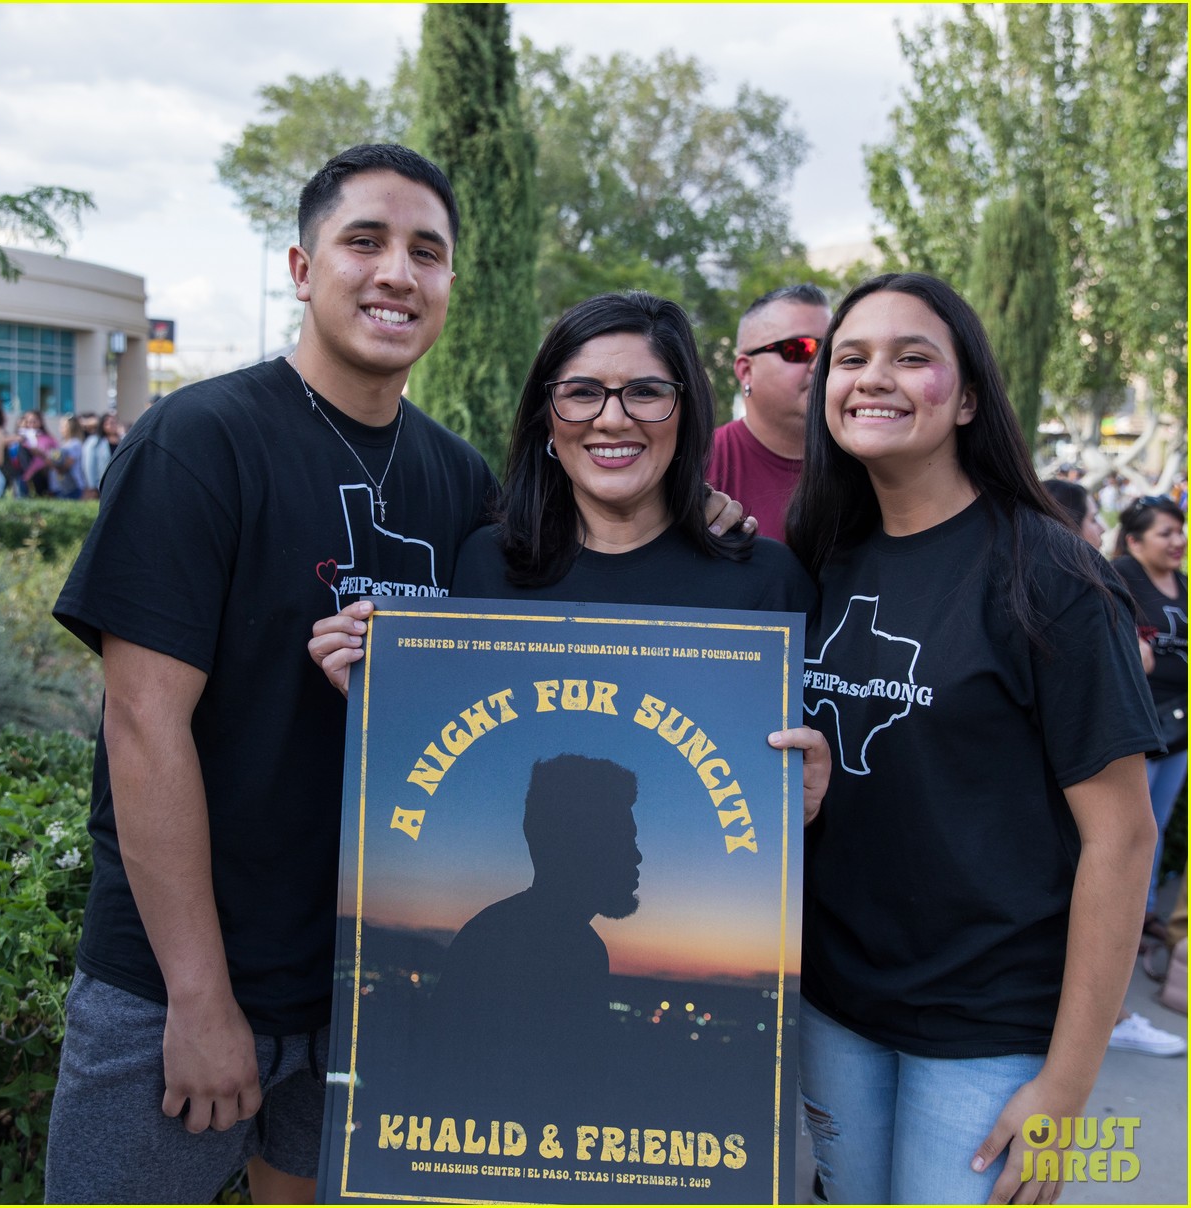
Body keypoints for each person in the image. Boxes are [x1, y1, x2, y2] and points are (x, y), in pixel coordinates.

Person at [44, 146, 747, 1206]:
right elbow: (143, 725)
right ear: (299, 264)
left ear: (450, 284)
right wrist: (197, 995)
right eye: (363, 241)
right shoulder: (199, 440)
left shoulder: (458, 480)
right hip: (179, 984)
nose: (396, 272)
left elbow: (558, 649)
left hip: (360, 988)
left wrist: (701, 520)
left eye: (427, 251)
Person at [786, 272, 1159, 1204]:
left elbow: (1123, 839)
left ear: (969, 401)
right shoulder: (816, 556)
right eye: (853, 357)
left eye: (914, 358)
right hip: (837, 1005)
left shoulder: (1053, 577)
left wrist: (1066, 1086)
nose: (876, 377)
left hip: (990, 1026)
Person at [312, 290, 831, 822]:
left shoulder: (769, 585)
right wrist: (386, 707)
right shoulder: (486, 567)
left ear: (687, 412)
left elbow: (771, 817)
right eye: (582, 392)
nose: (612, 419)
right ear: (548, 420)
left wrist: (807, 804)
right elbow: (465, 782)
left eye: (646, 392)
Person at [1043, 478, 1186, 1058]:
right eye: (1093, 521)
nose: (1098, 532)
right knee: (1118, 858)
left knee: (1135, 857)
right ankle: (1109, 1012)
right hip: (1132, 743)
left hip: (1169, 737)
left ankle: (1106, 1008)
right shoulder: (1097, 587)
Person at [424, 754, 642, 1112]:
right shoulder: (557, 948)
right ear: (577, 843)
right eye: (622, 838)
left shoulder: (506, 931)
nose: (636, 856)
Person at [1112, 495, 1188, 941]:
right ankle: (1118, 920)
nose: (1178, 541)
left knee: (1155, 825)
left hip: (1178, 730)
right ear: (1136, 540)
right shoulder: (1121, 577)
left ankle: (1144, 914)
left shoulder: (1182, 582)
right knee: (1126, 829)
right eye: (1167, 533)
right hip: (1138, 726)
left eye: (1180, 531)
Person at [706, 284, 832, 542]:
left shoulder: (868, 461)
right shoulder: (699, 464)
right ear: (745, 371)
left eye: (830, 350)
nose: (820, 365)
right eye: (800, 349)